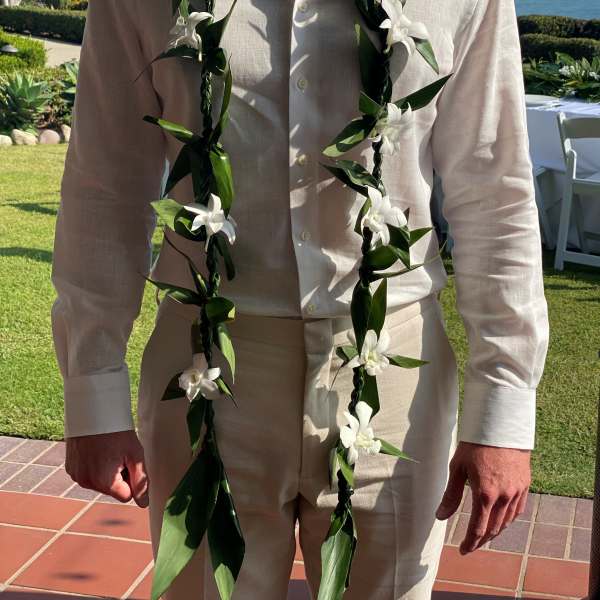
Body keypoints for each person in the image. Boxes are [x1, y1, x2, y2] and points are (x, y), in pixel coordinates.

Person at [51, 0, 550, 598]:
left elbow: (494, 189)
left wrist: (503, 407)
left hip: (392, 377)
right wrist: (93, 392)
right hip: (204, 367)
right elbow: (106, 186)